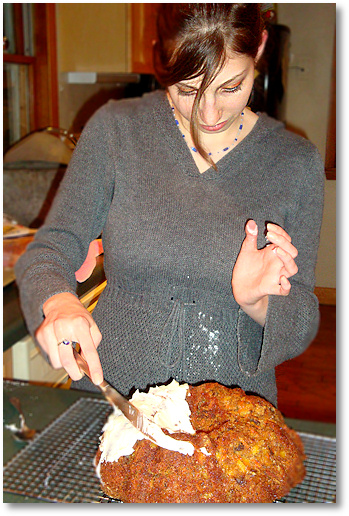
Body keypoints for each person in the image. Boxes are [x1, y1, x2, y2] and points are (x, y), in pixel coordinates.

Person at [15, 3, 324, 407]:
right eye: (187, 89)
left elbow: (302, 314)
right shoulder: (116, 130)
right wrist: (56, 301)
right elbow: (52, 246)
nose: (207, 113)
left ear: (260, 47)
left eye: (230, 87)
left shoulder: (295, 162)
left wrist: (258, 301)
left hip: (231, 421)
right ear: (161, 57)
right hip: (112, 405)